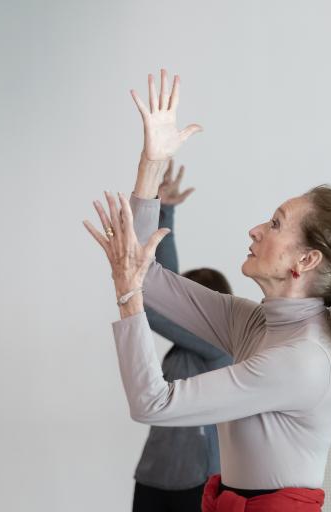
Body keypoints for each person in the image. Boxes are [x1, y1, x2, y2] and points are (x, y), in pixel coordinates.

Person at [84, 70, 331, 511]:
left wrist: (126, 294)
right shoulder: (255, 321)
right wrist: (151, 165)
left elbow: (154, 403)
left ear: (305, 260)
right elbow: (148, 276)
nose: (254, 230)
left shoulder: (304, 358)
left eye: (274, 224)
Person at [133, 161, 233, 512]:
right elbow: (167, 287)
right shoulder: (186, 346)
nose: (181, 305)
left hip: (197, 482)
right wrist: (166, 212)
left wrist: (128, 279)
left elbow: (157, 301)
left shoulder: (220, 346)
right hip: (153, 474)